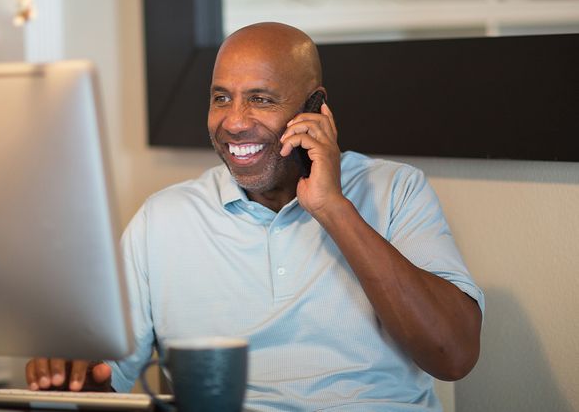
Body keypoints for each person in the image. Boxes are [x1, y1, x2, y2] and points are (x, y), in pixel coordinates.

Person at [27, 22, 484, 410]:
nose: (235, 122)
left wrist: (332, 208)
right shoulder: (162, 219)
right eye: (221, 98)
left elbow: (454, 354)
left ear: (315, 107)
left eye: (261, 99)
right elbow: (105, 380)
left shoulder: (396, 190)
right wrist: (75, 380)